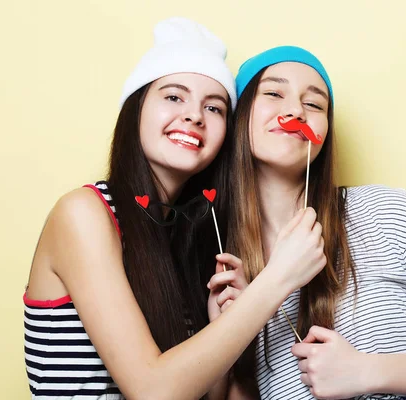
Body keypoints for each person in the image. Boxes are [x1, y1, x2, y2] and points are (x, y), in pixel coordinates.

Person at [23, 20, 327, 400]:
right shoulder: (84, 214)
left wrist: (222, 324)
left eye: (214, 108)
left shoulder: (192, 235)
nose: (195, 116)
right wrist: (278, 278)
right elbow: (152, 392)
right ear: (135, 108)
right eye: (173, 97)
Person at [220, 45, 406, 399]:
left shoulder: (387, 211)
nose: (295, 111)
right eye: (274, 93)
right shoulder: (226, 275)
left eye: (315, 104)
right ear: (239, 115)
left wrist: (365, 371)